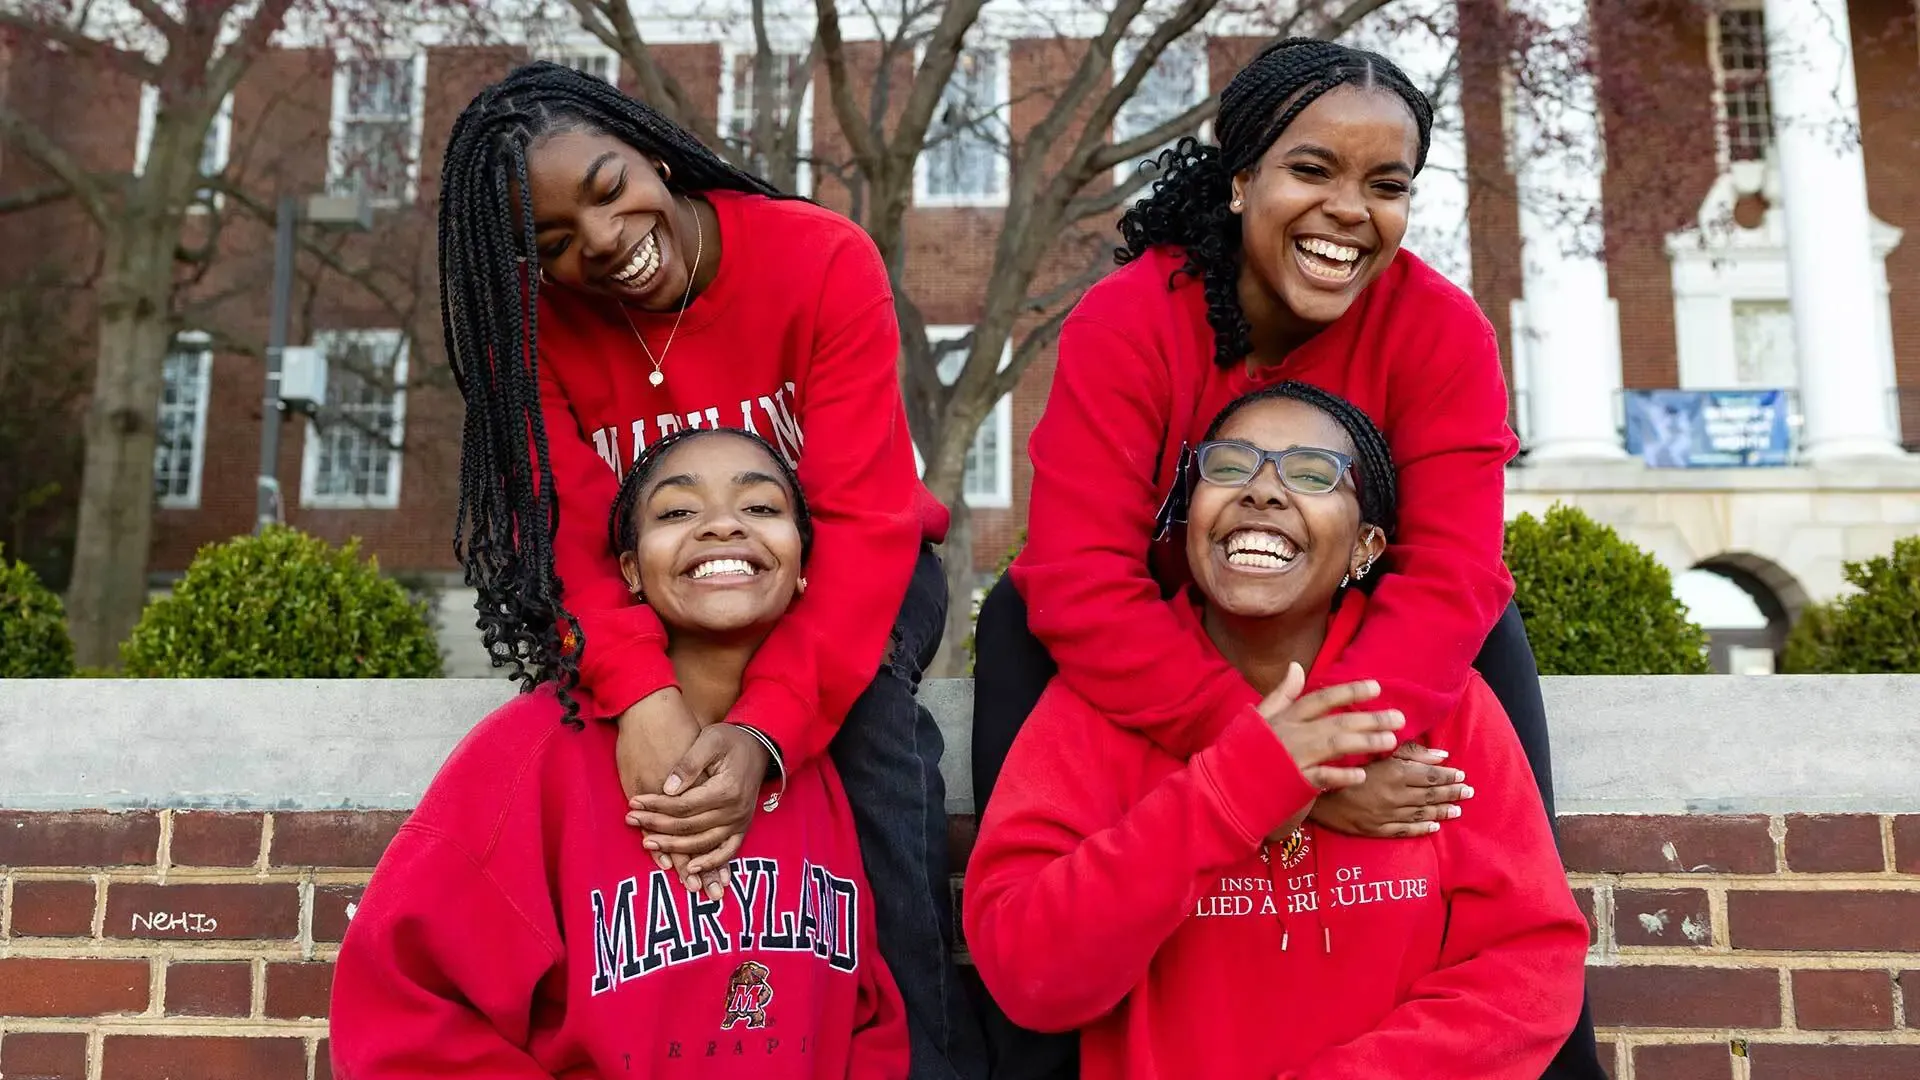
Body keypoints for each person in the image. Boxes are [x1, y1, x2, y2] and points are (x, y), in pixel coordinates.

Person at [969, 38, 1604, 1079]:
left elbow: (1445, 574)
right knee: (1016, 623)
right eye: (1312, 169)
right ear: (1240, 179)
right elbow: (1083, 577)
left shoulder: (1441, 330)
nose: (1349, 210)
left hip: (1360, 628)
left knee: (1489, 633)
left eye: (1386, 185)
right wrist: (1272, 766)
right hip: (1158, 628)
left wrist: (1332, 746)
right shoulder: (1132, 318)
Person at [438, 63, 984, 1079]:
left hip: (846, 571)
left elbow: (865, 522)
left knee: (864, 733)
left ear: (651, 149)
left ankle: (925, 1059)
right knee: (591, 739)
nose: (599, 243)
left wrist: (768, 728)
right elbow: (567, 548)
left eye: (606, 188)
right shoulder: (538, 340)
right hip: (651, 598)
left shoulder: (820, 257)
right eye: (550, 243)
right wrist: (644, 698)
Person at [965, 384, 1590, 1079]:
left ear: (1366, 544)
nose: (1262, 491)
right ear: (1187, 513)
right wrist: (1232, 791)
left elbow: (1531, 967)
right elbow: (1027, 971)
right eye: (1228, 467)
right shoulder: (1093, 708)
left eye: (1313, 473)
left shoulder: (1449, 708)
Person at [332, 428, 908, 1078]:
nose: (722, 524)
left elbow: (867, 1015)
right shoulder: (535, 750)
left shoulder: (813, 768)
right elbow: (399, 1007)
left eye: (762, 508)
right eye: (677, 511)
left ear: (805, 565)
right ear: (630, 570)